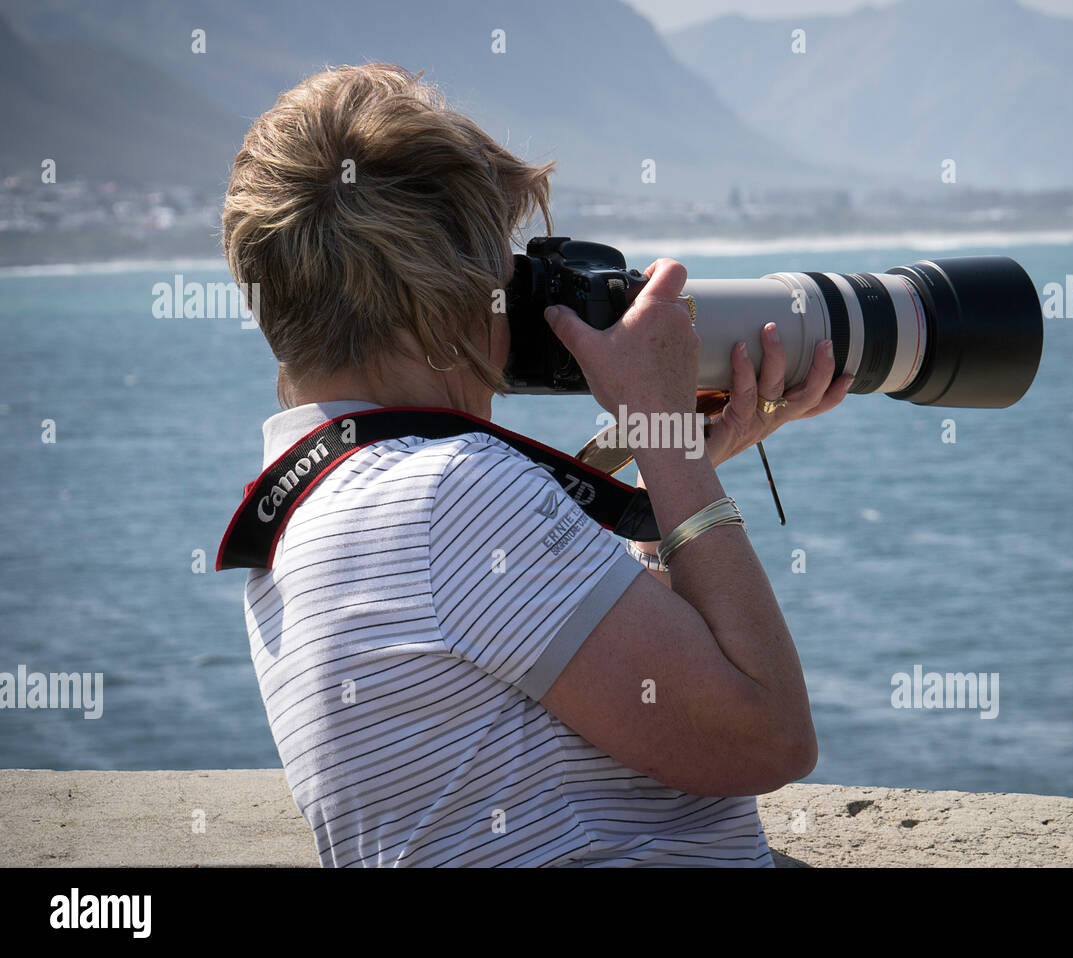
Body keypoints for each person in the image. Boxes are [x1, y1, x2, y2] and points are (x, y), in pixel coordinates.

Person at [222, 63, 853, 867]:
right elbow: (768, 735)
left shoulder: (299, 517)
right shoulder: (450, 492)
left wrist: (679, 468)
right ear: (446, 307)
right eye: (504, 279)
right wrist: (660, 435)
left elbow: (592, 657)